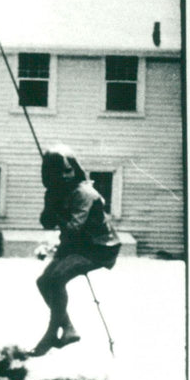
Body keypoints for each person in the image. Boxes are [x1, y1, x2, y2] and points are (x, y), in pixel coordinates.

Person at [33, 143, 121, 355]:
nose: (64, 176)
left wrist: (57, 222)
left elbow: (73, 228)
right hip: (76, 245)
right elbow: (46, 223)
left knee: (56, 279)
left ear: (76, 169)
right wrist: (51, 201)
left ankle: (51, 333)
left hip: (99, 247)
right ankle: (69, 329)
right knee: (43, 282)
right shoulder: (55, 192)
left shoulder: (85, 193)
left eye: (68, 171)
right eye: (57, 173)